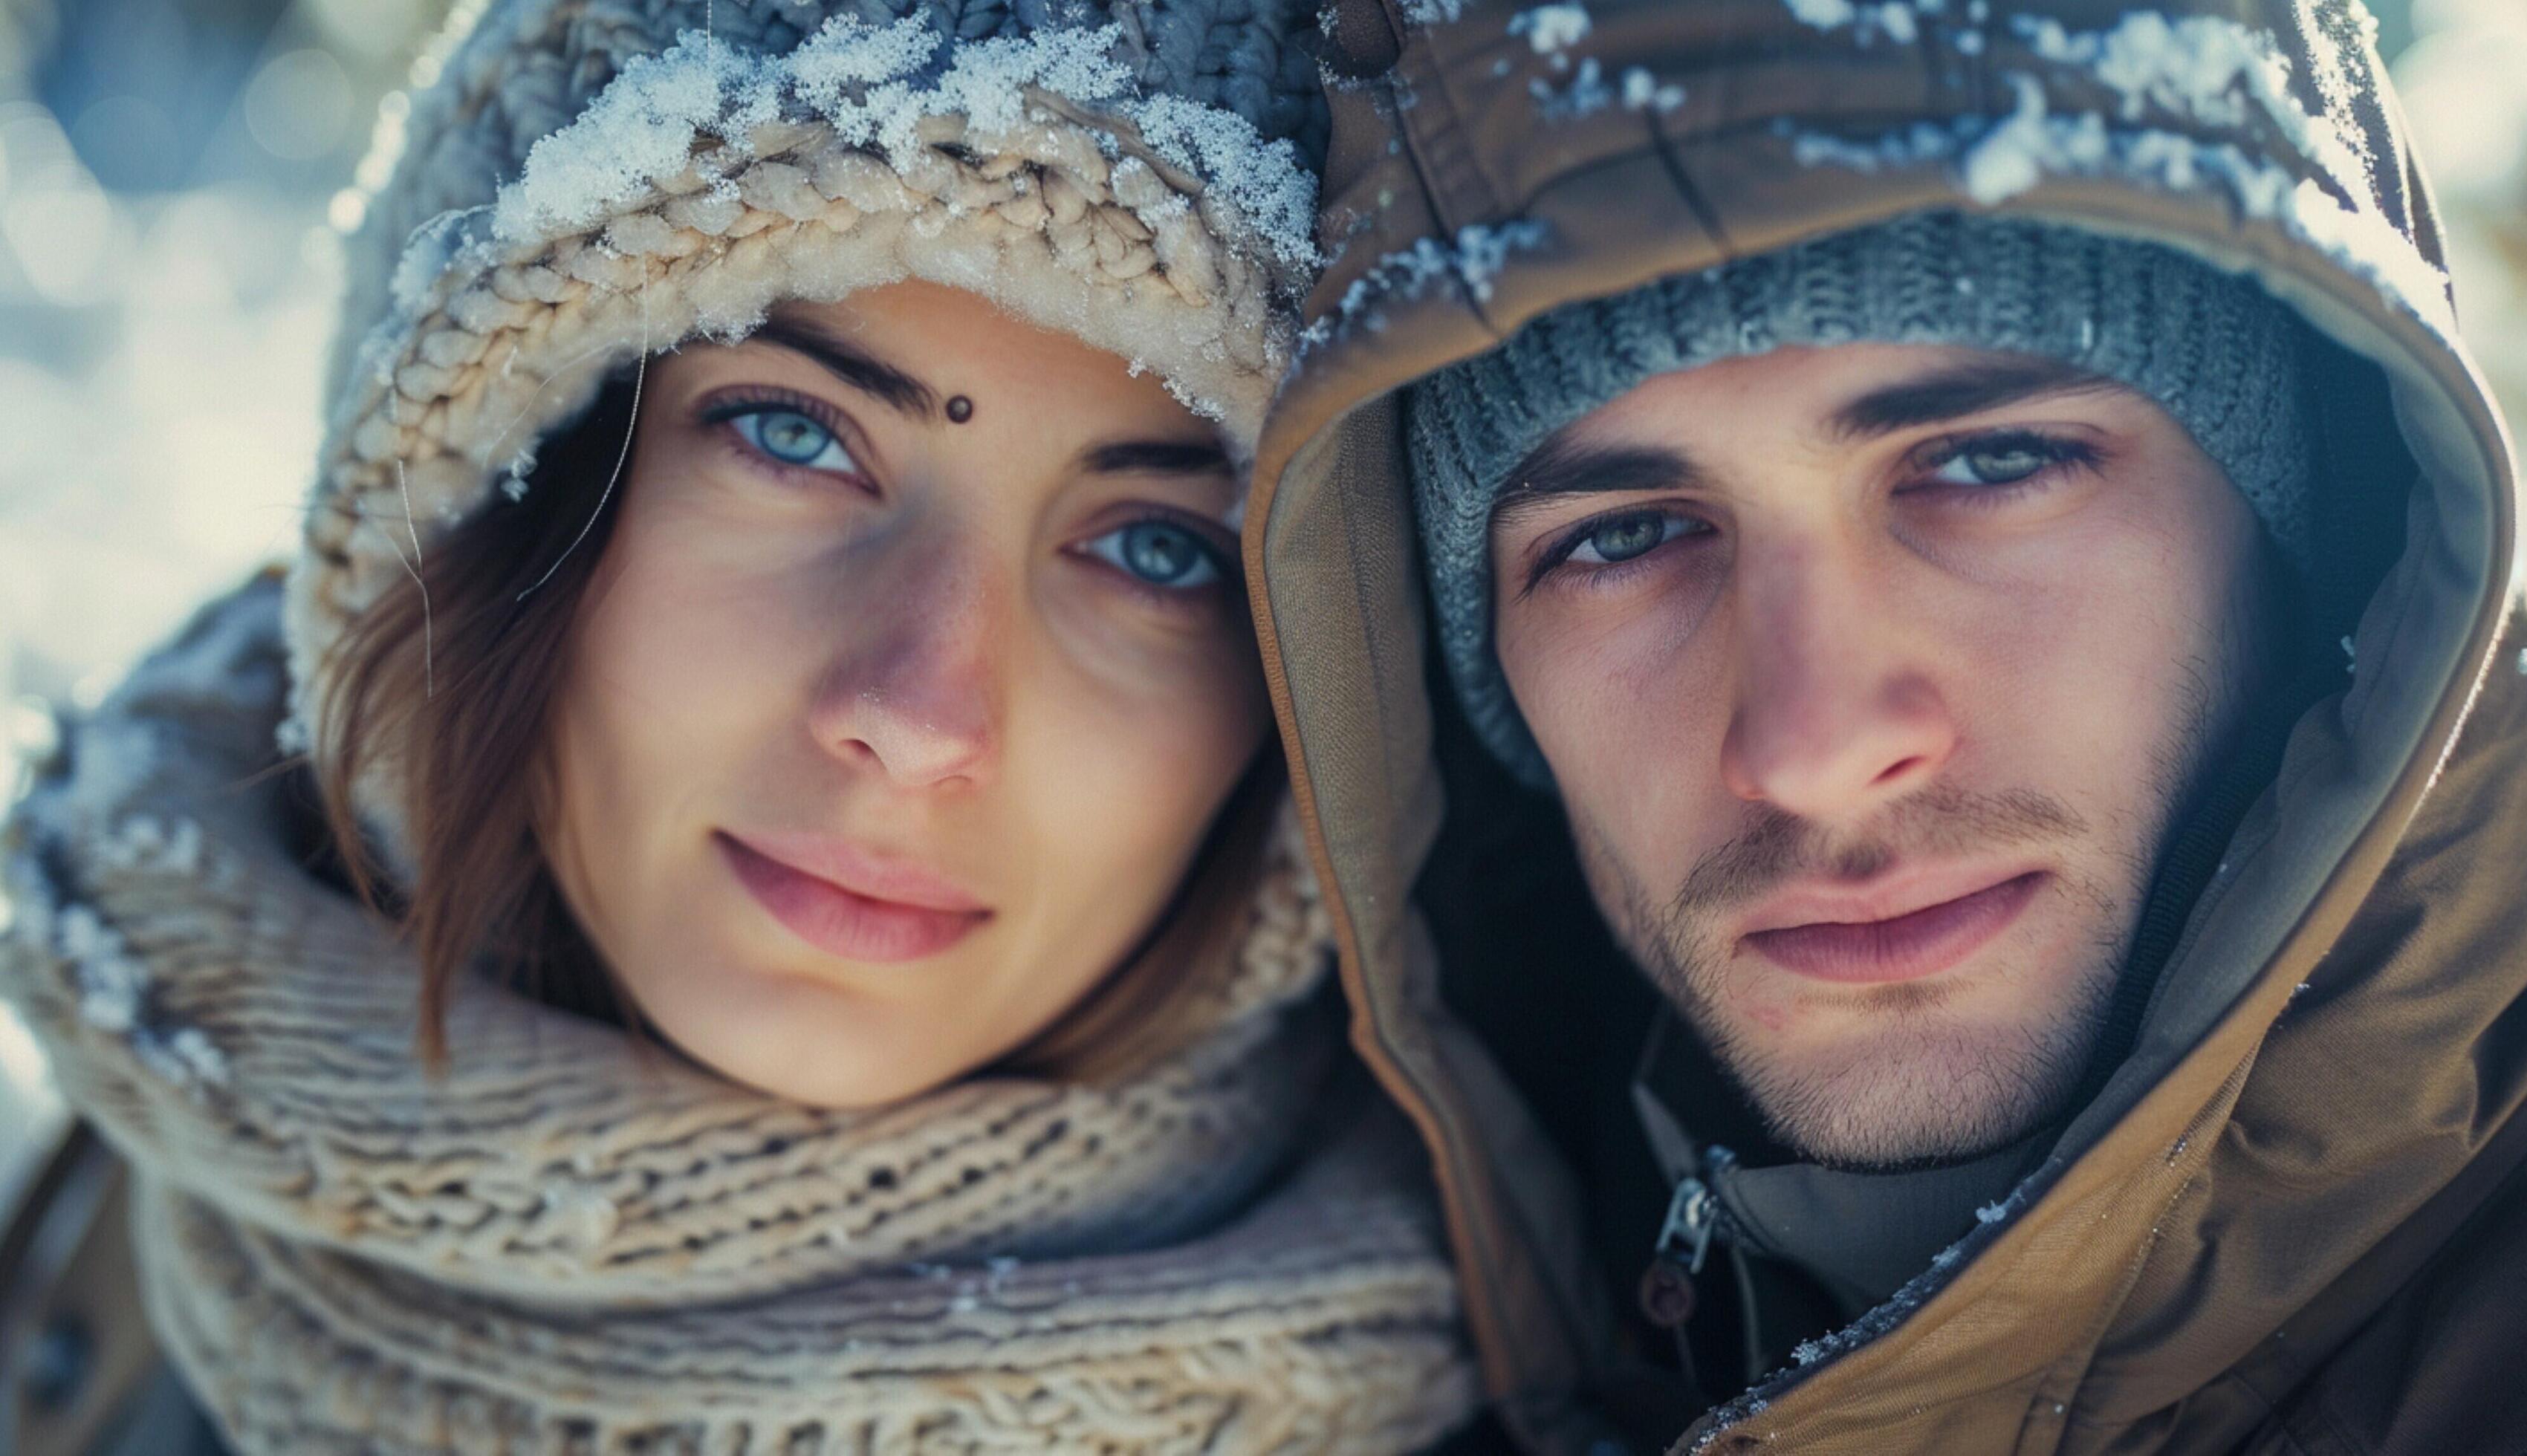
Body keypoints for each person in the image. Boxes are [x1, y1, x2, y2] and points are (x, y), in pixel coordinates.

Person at [0, 1, 1482, 1451]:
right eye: (793, 434)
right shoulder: (133, 1152)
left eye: (1160, 549)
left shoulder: (1541, 1361)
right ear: (491, 484)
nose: (916, 718)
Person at [1248, 0, 2527, 1450]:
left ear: (2311, 517)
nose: (1816, 745)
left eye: (1990, 458)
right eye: (1628, 532)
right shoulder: (1413, 1354)